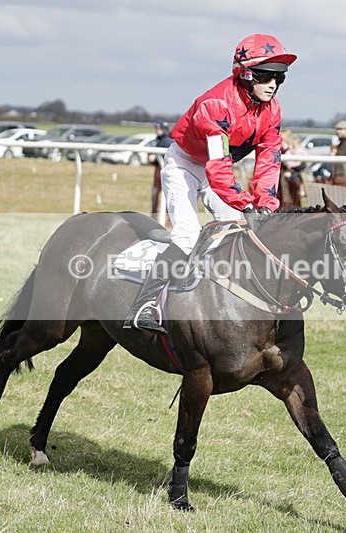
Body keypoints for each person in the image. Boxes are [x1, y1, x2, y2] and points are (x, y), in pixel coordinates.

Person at [123, 33, 297, 334]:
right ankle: (143, 305)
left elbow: (269, 160)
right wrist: (246, 202)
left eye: (279, 79)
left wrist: (265, 204)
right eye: (267, 76)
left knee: (240, 227)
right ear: (246, 73)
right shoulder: (215, 104)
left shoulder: (272, 109)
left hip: (217, 169)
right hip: (186, 165)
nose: (273, 85)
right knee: (188, 235)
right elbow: (217, 169)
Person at [149, 120, 174, 219]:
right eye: (157, 128)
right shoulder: (158, 140)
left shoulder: (167, 141)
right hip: (158, 170)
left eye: (159, 128)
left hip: (165, 171)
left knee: (167, 195)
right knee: (156, 194)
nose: (157, 130)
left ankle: (167, 219)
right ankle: (154, 216)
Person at [279, 128, 305, 209]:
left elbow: (302, 164)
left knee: (292, 198)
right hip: (281, 176)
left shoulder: (292, 149)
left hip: (292, 177)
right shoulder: (281, 148)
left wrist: (290, 167)